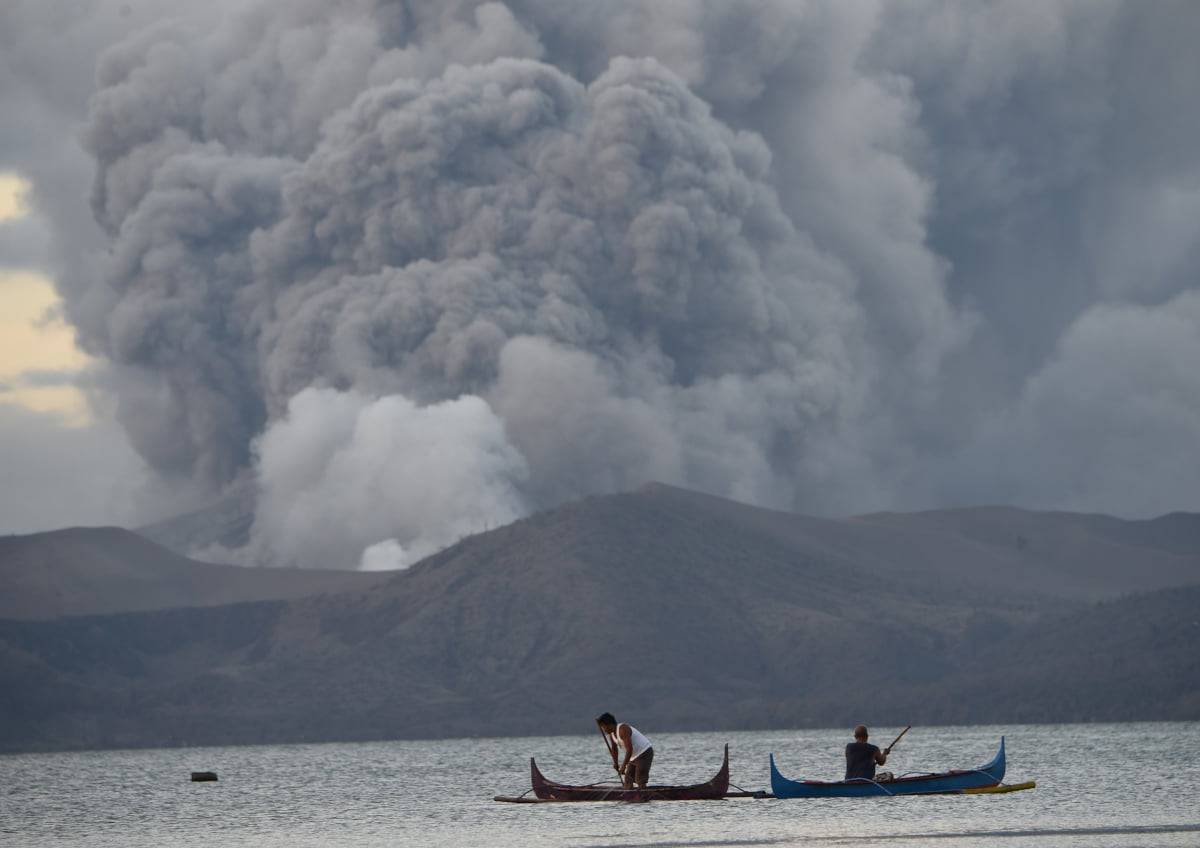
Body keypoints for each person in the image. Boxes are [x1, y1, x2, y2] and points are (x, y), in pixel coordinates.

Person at [596, 712, 654, 788]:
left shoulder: (623, 729)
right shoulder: (612, 734)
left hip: (644, 753)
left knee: (640, 778)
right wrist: (616, 763)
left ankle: (642, 794)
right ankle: (629, 797)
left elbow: (629, 749)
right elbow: (614, 749)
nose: (603, 730)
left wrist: (623, 766)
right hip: (633, 756)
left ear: (609, 725)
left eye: (603, 727)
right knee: (628, 779)